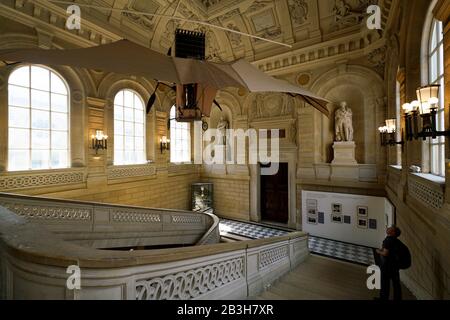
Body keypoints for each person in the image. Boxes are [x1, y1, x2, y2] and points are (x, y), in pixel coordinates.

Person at [376, 226, 402, 300]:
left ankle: (383, 298)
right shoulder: (396, 241)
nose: (388, 228)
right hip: (394, 265)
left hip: (387, 265)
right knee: (396, 283)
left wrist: (378, 251)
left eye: (390, 228)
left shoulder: (388, 240)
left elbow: (385, 253)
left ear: (393, 232)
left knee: (384, 283)